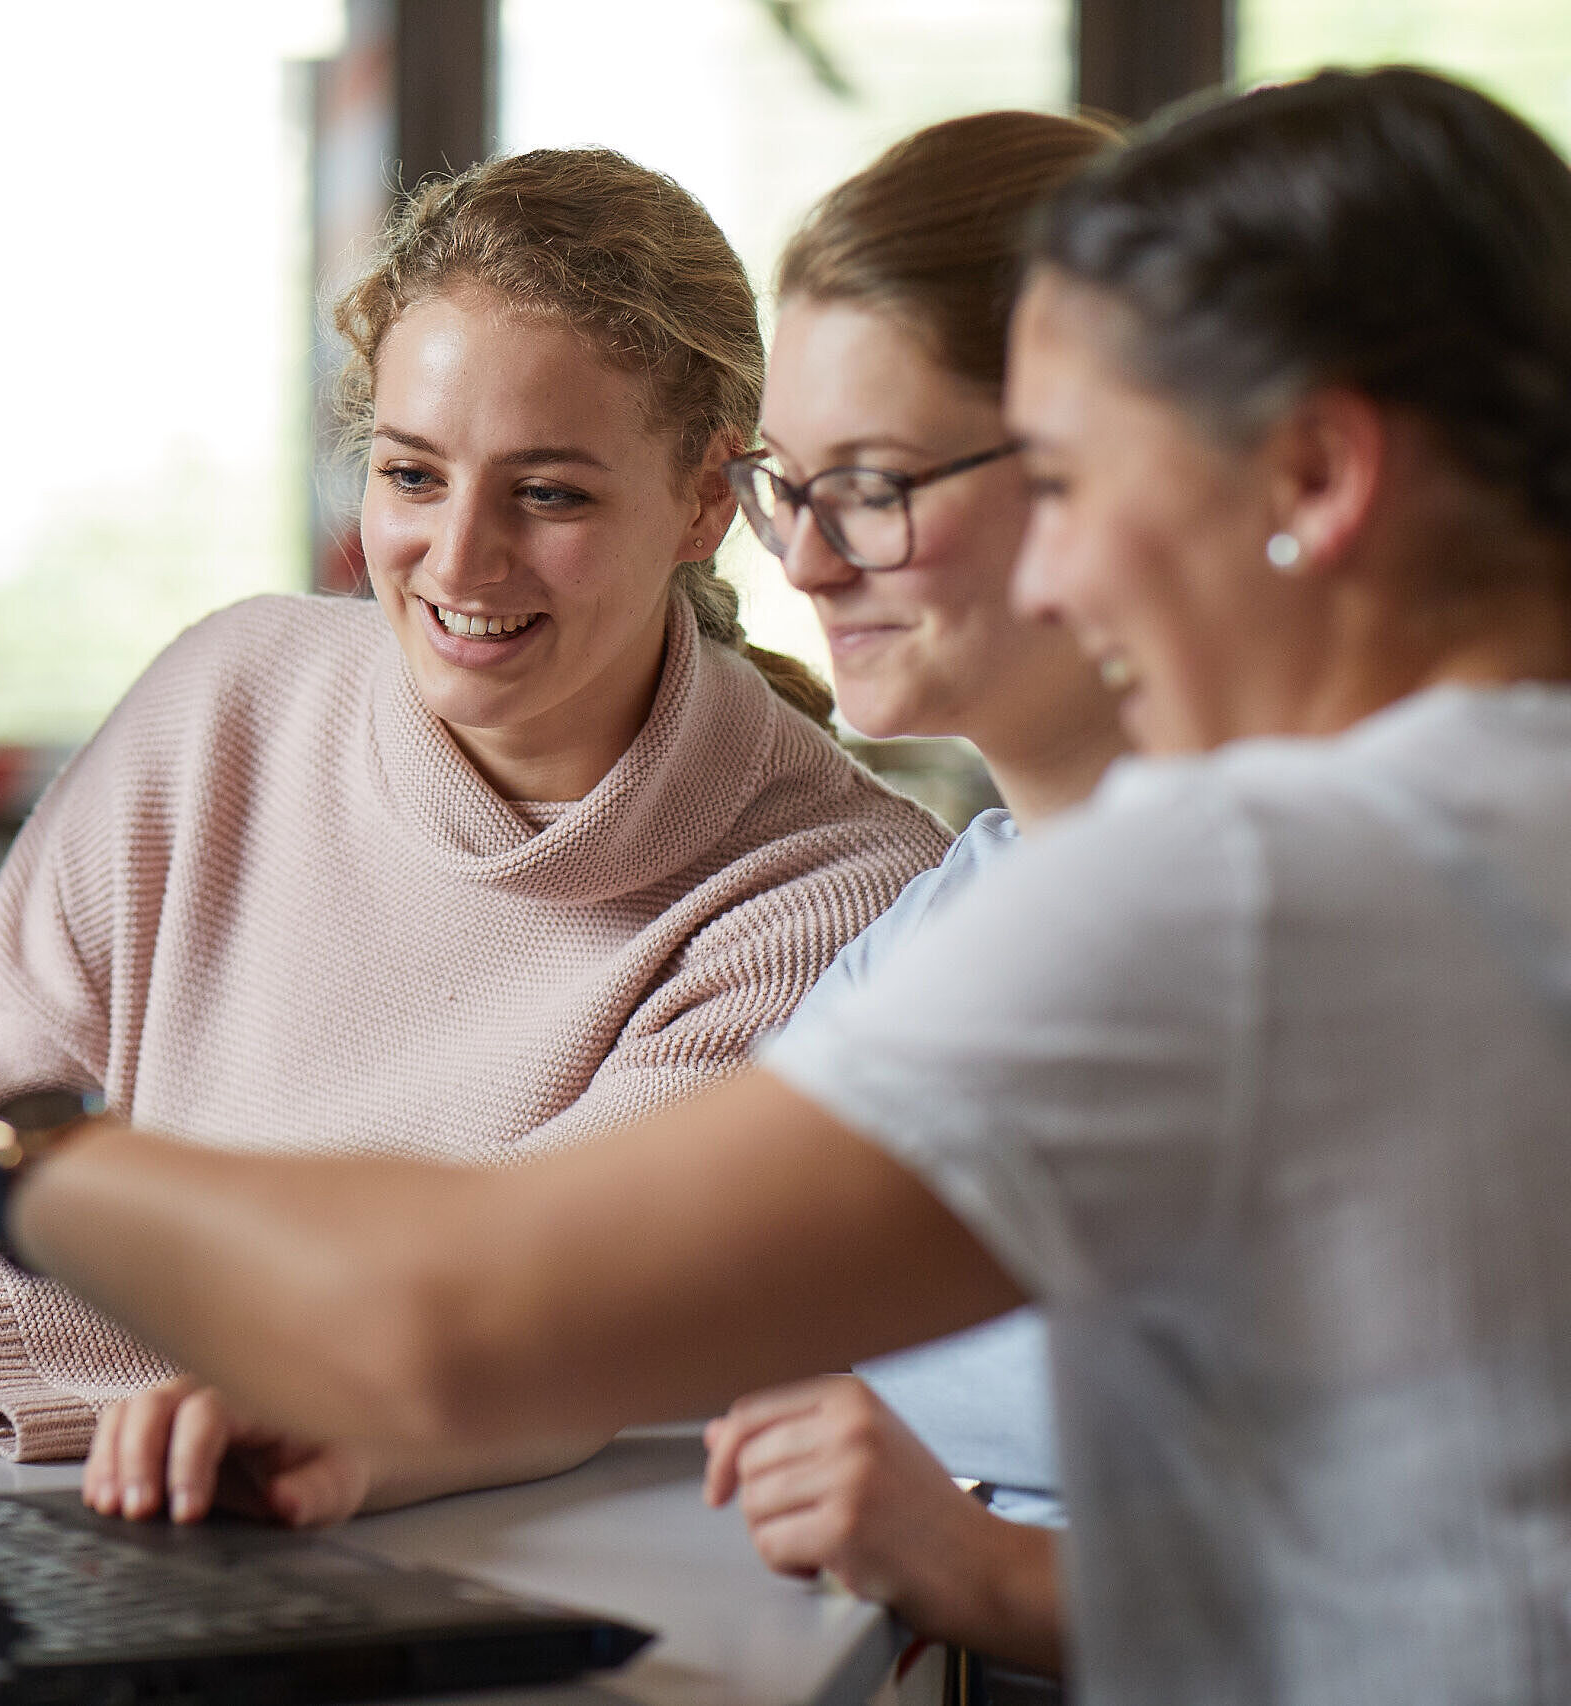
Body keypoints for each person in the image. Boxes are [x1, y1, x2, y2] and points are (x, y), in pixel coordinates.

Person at [0, 68, 1571, 1706]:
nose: (1066, 563)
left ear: (1319, 477)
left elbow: (471, 1311)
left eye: (1083, 479)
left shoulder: (1255, 885)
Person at [0, 147, 951, 1485]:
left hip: (543, 1574)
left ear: (708, 500)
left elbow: (519, 1307)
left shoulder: (837, 899)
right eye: (414, 475)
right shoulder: (229, 696)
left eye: (548, 493)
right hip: (31, 1490)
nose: (460, 557)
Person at [695, 110, 1124, 1683]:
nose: (802, 564)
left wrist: (993, 1570)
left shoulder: (1344, 922)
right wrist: (365, 1425)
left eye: (869, 486)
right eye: (778, 487)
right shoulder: (966, 904)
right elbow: (676, 1270)